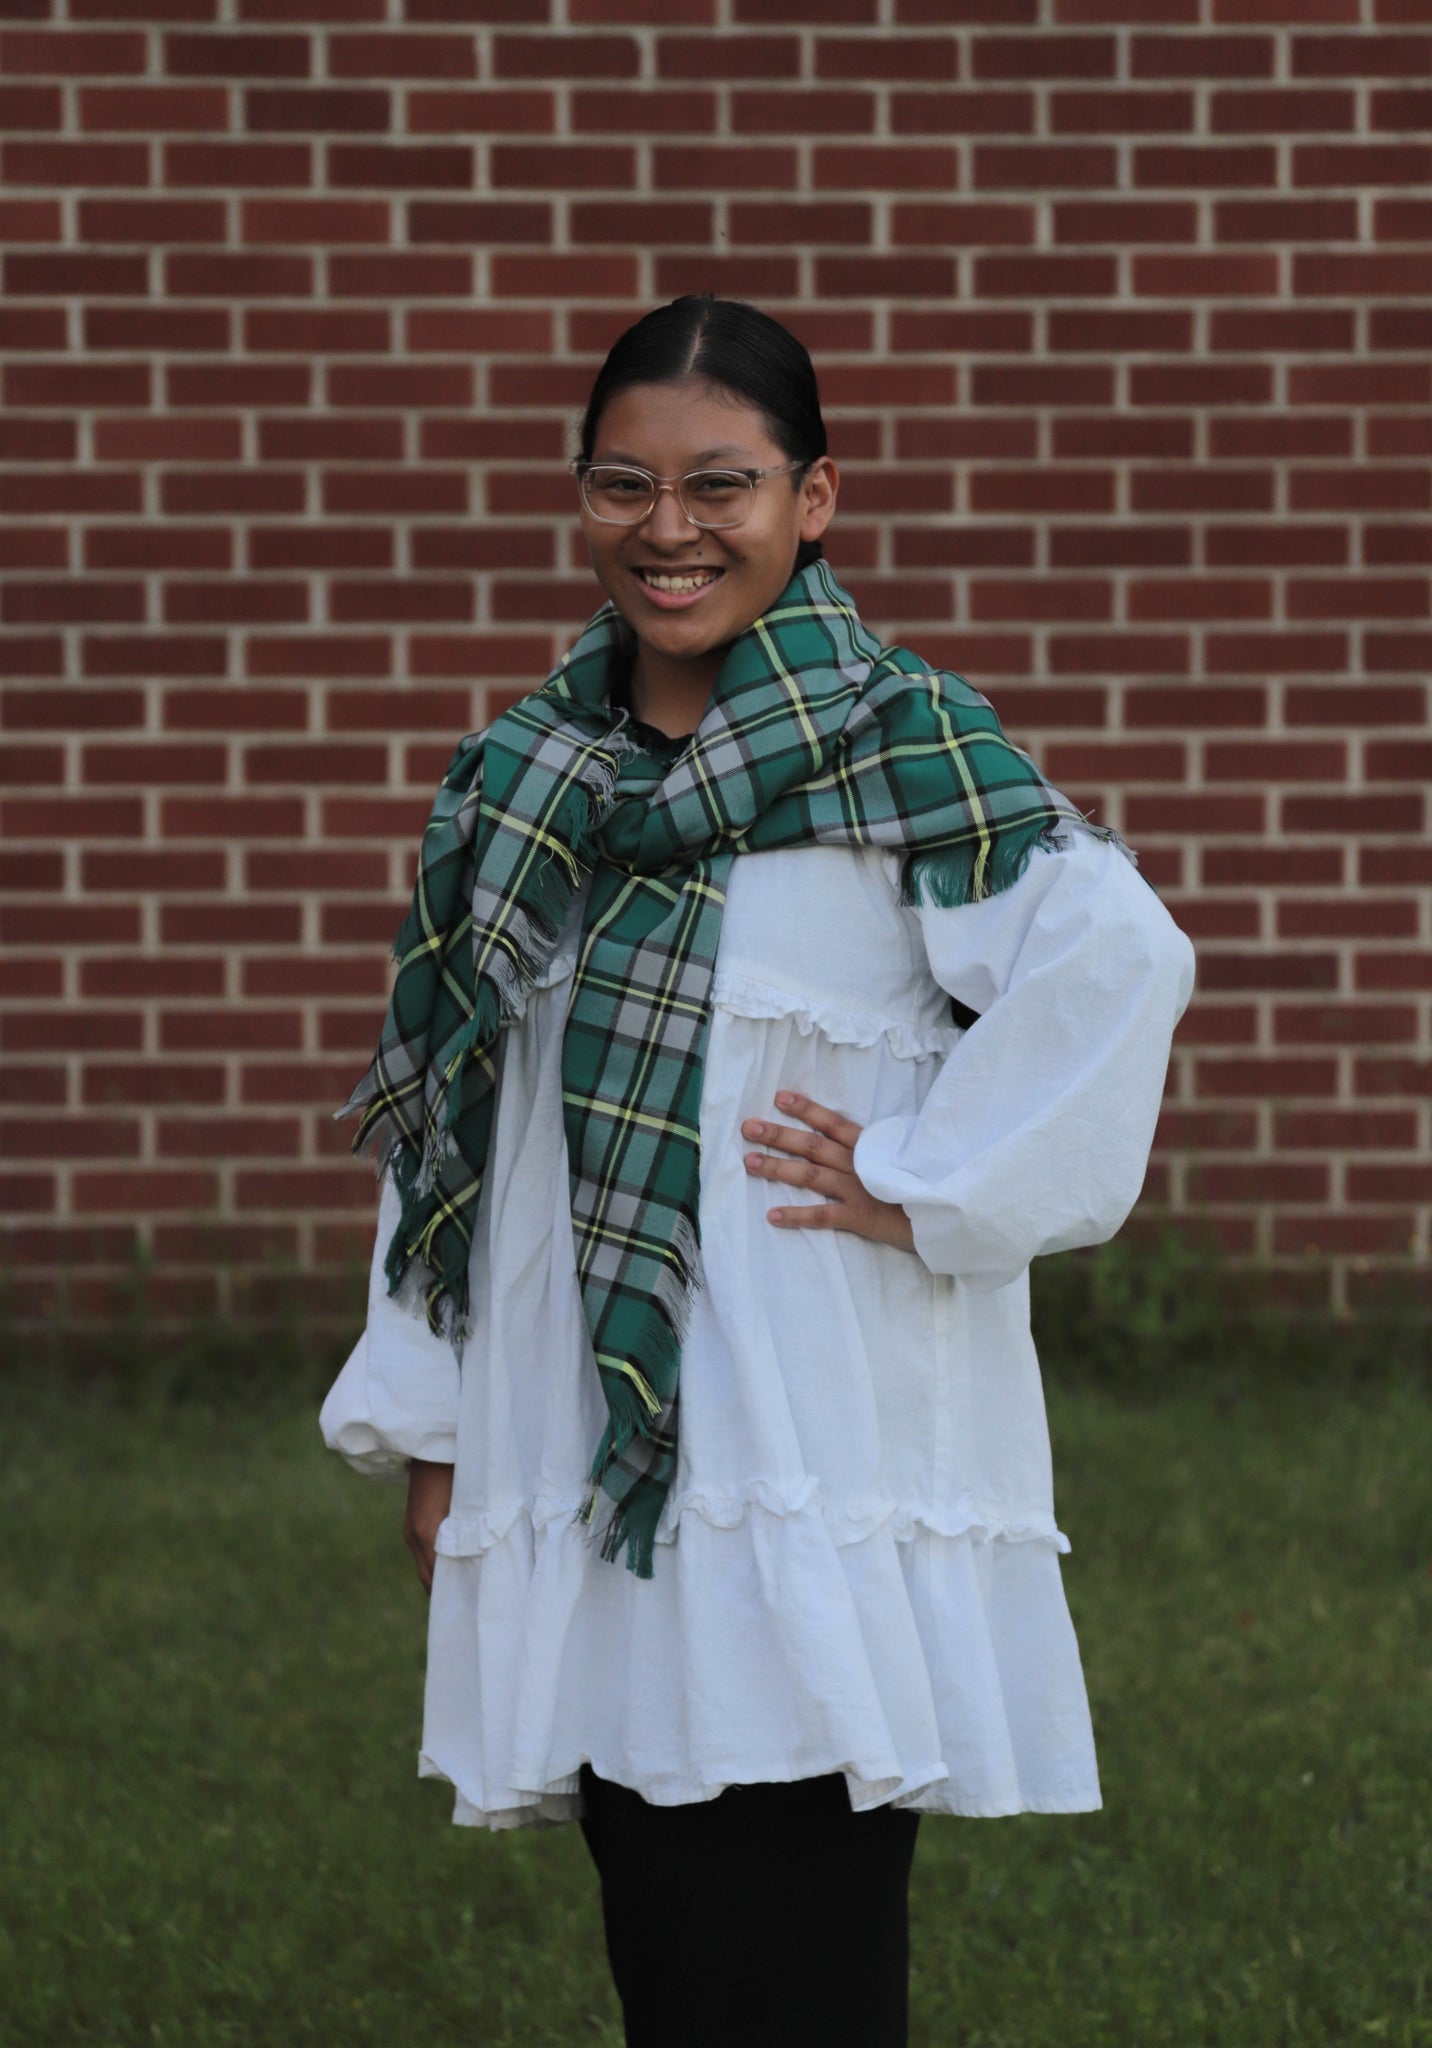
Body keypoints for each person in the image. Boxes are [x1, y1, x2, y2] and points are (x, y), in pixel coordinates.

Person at [320, 294, 1197, 2048]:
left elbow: (1116, 962)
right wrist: (433, 1421)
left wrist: (930, 1178)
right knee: (662, 1913)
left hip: (806, 1437)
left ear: (816, 498)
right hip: (583, 1425)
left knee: (794, 1935)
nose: (670, 529)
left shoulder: (906, 751)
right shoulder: (520, 782)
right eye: (623, 483)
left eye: (721, 484)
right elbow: (454, 1122)